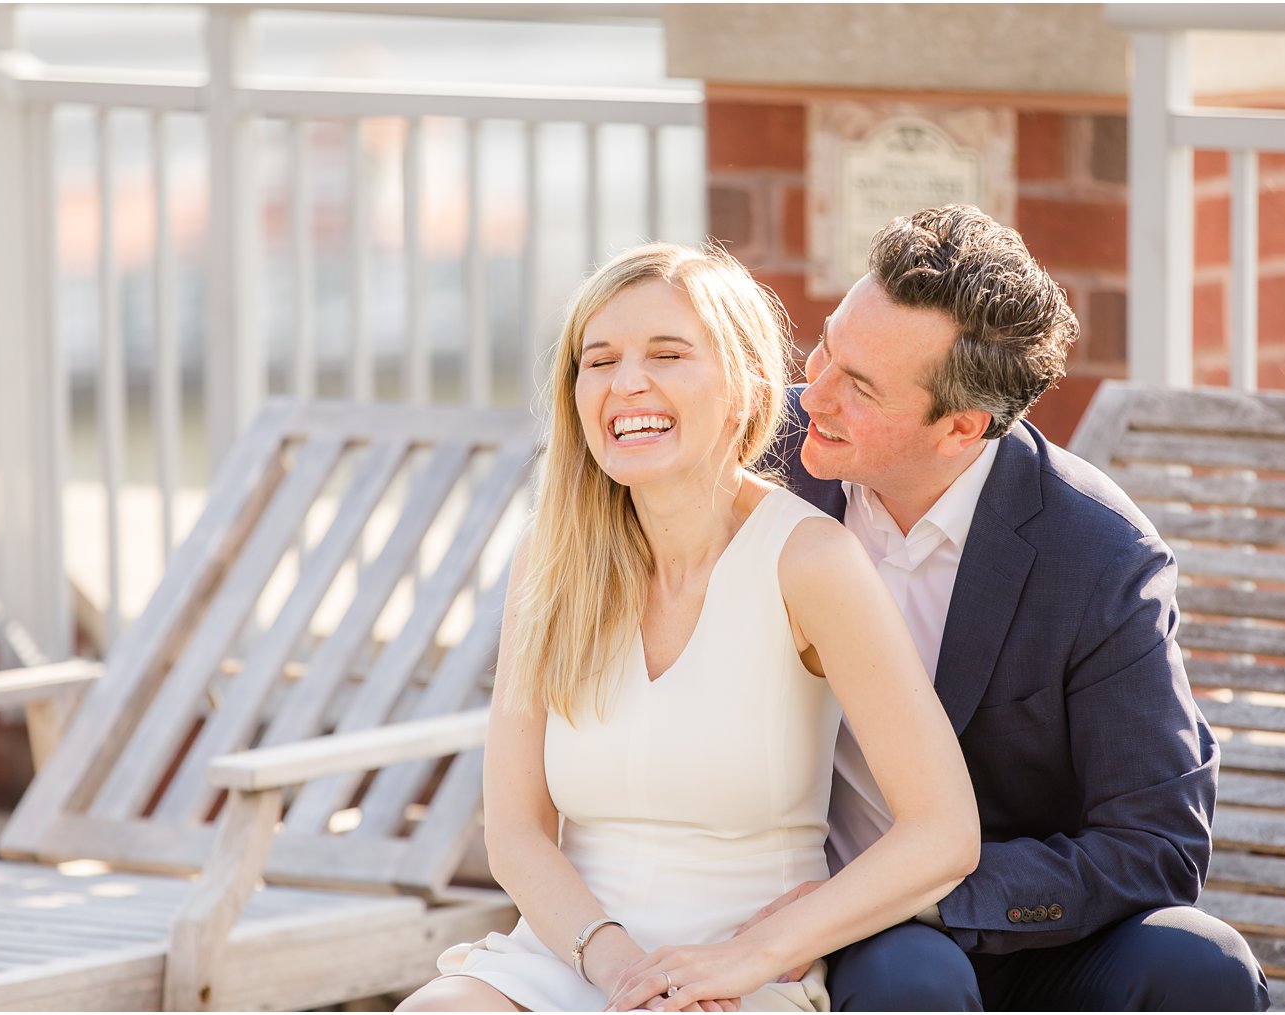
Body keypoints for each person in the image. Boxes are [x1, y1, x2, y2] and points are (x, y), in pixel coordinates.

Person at [397, 243, 980, 1013]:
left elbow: (942, 831)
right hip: (570, 959)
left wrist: (752, 955)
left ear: (745, 388)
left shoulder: (811, 561)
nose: (626, 381)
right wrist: (618, 970)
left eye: (667, 353)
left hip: (739, 975)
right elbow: (517, 832)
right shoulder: (548, 556)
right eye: (597, 360)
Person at [756, 205, 1269, 1011]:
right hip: (840, 930)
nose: (812, 390)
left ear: (962, 425)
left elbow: (1157, 844)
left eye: (858, 385)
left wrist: (929, 892)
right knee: (913, 978)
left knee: (1203, 964)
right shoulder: (761, 457)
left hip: (1024, 923)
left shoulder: (1100, 557)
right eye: (826, 343)